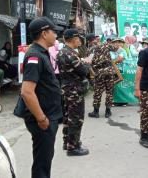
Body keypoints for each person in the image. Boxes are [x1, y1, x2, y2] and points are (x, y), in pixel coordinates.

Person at [21, 16, 63, 178]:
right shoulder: (35, 56)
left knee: (44, 159)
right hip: (43, 118)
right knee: (42, 163)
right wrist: (41, 118)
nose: (56, 36)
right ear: (44, 33)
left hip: (48, 114)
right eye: (54, 32)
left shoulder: (41, 53)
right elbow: (27, 91)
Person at [57, 29, 91, 156]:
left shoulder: (62, 52)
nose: (80, 40)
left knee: (68, 117)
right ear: (72, 39)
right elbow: (83, 71)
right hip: (74, 91)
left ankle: (67, 142)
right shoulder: (70, 54)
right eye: (78, 38)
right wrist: (88, 62)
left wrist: (81, 61)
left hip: (67, 89)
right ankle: (73, 147)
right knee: (76, 118)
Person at [89, 37, 117, 118]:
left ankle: (96, 112)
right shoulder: (106, 45)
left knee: (98, 92)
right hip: (109, 71)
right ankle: (108, 112)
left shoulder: (90, 50)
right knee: (109, 92)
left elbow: (88, 62)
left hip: (99, 73)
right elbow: (115, 48)